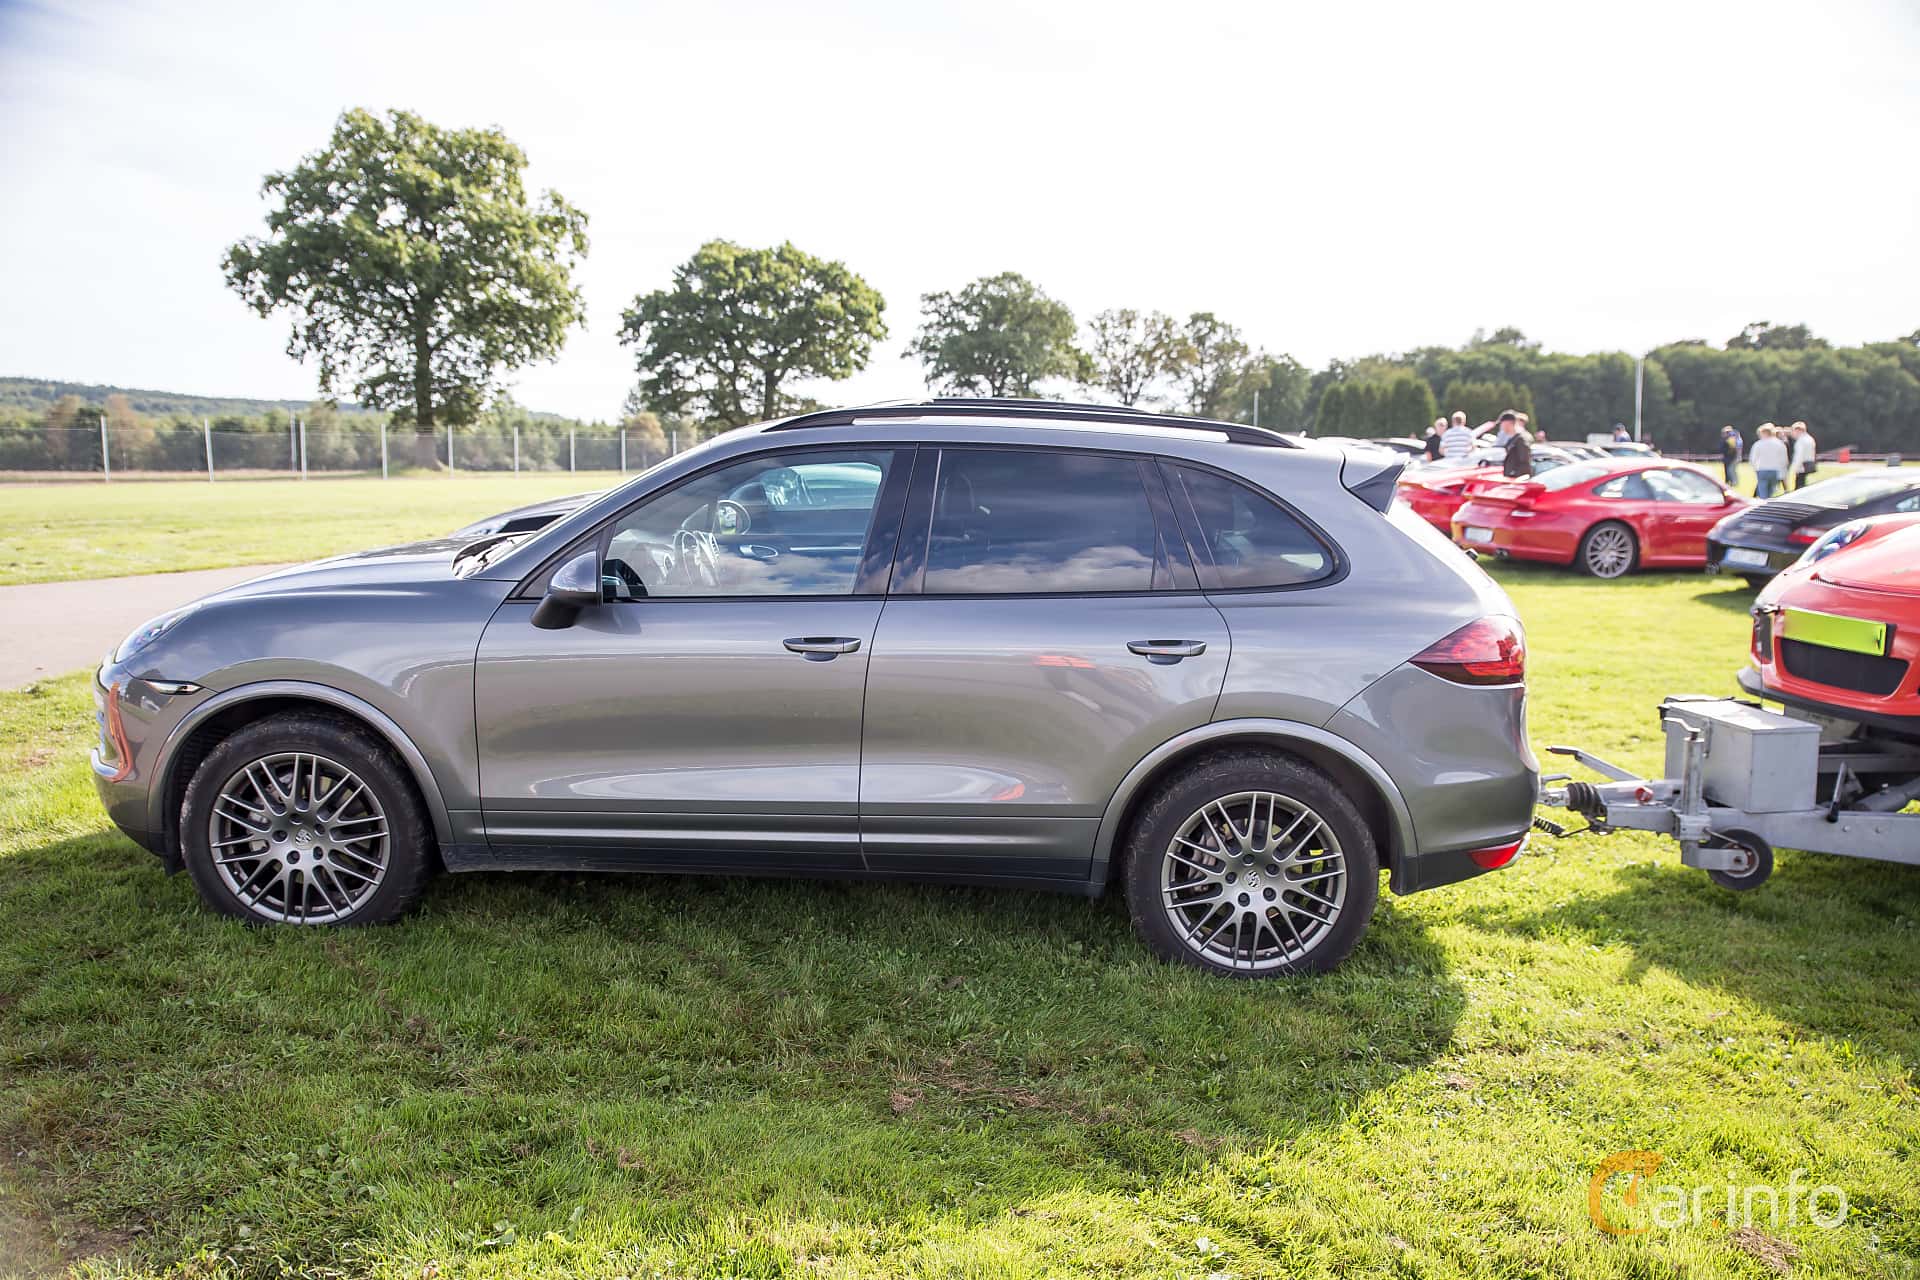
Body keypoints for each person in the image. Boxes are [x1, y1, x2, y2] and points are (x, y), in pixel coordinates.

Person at [1750, 423, 1788, 499]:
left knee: (1763, 491)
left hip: (1762, 469)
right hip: (1775, 470)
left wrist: (1755, 468)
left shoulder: (1758, 444)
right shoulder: (1779, 443)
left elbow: (1753, 459)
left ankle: (1763, 503)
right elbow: (1784, 459)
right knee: (1771, 491)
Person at [1497, 410, 1532, 478]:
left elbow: (1524, 462)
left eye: (1502, 423)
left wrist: (1514, 475)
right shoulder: (1512, 439)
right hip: (1510, 478)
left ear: (1508, 423)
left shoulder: (1521, 440)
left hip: (1517, 479)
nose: (1501, 426)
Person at [1789, 420, 1818, 490]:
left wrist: (1794, 468)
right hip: (1809, 463)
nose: (1792, 434)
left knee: (1799, 486)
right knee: (1802, 484)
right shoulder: (1810, 439)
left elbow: (1799, 456)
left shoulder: (1801, 441)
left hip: (1802, 466)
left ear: (1798, 430)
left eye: (1793, 431)